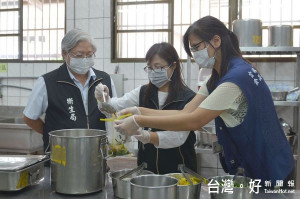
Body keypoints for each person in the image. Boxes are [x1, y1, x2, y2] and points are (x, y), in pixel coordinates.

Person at [114, 16, 294, 185]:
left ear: (216, 41)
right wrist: (139, 110)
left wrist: (139, 120)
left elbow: (193, 121)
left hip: (268, 167)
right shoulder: (218, 77)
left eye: (195, 47)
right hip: (255, 161)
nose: (194, 55)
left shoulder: (235, 79)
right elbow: (186, 112)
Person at [95, 42, 197, 174]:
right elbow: (115, 107)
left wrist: (146, 136)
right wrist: (103, 98)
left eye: (158, 67)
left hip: (179, 170)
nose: (153, 72)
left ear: (173, 66)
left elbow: (178, 137)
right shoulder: (143, 92)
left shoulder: (188, 98)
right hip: (147, 169)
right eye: (149, 68)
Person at [23, 28, 117, 151]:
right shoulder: (48, 82)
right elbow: (29, 117)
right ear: (64, 53)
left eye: (89, 55)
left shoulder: (104, 79)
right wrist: (55, 136)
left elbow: (115, 113)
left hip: (97, 154)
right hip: (62, 155)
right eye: (79, 55)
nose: (84, 59)